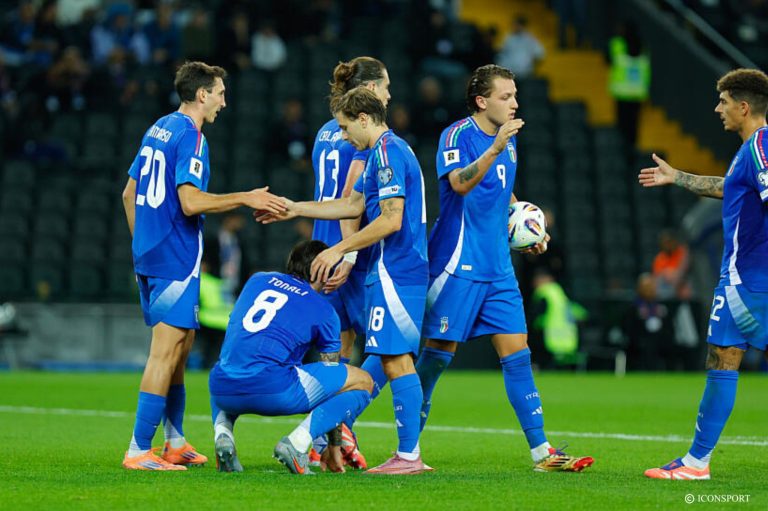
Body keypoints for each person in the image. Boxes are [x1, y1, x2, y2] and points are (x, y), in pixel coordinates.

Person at [415, 64, 593, 472]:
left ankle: (543, 452)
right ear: (482, 101)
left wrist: (528, 229)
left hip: (498, 268)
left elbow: (503, 190)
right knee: (436, 358)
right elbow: (460, 183)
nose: (515, 103)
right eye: (506, 96)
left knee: (518, 355)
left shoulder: (507, 140)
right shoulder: (458, 135)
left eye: (515, 95)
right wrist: (495, 146)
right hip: (457, 264)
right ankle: (405, 446)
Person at [120, 61, 286, 471]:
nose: (224, 103)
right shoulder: (192, 137)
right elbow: (190, 201)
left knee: (180, 348)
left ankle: (174, 441)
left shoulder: (159, 128)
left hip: (154, 255)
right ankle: (138, 450)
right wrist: (246, 197)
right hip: (174, 258)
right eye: (220, 94)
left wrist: (143, 247)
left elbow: (129, 193)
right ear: (202, 94)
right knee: (165, 352)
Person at [258, 86, 431, 474]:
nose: (342, 135)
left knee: (396, 361)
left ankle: (408, 456)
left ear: (363, 119)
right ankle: (390, 449)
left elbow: (392, 219)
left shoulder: (387, 152)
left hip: (396, 269)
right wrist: (295, 208)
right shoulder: (380, 153)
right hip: (393, 269)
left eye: (344, 126)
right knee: (390, 359)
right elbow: (352, 205)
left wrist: (339, 249)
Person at [639, 68, 768, 480]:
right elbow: (729, 187)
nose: (717, 109)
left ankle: (696, 463)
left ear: (743, 107)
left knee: (723, 357)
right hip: (751, 278)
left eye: (723, 102)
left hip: (749, 280)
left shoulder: (761, 146)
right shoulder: (750, 150)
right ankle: (696, 461)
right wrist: (677, 176)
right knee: (724, 357)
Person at [208, 240, 374, 474]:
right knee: (362, 381)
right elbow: (333, 384)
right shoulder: (325, 311)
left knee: (231, 366)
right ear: (323, 269)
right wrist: (334, 445)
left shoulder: (257, 279)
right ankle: (297, 443)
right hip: (273, 391)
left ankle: (223, 434)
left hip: (221, 390)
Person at [306, 55, 391, 469]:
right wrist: (350, 252)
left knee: (335, 351)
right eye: (385, 86)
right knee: (393, 348)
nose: (389, 95)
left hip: (321, 247)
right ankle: (339, 426)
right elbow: (350, 196)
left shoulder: (326, 130)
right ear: (370, 89)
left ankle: (326, 443)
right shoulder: (359, 132)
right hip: (349, 252)